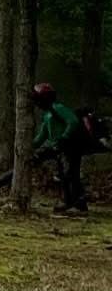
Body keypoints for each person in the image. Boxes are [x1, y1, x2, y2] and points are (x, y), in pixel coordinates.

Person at [32, 81, 89, 214]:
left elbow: (73, 121)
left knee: (71, 174)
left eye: (38, 99)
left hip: (71, 147)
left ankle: (80, 206)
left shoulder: (58, 108)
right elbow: (42, 135)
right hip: (60, 149)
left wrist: (64, 137)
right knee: (63, 176)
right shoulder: (46, 115)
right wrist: (27, 147)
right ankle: (68, 203)